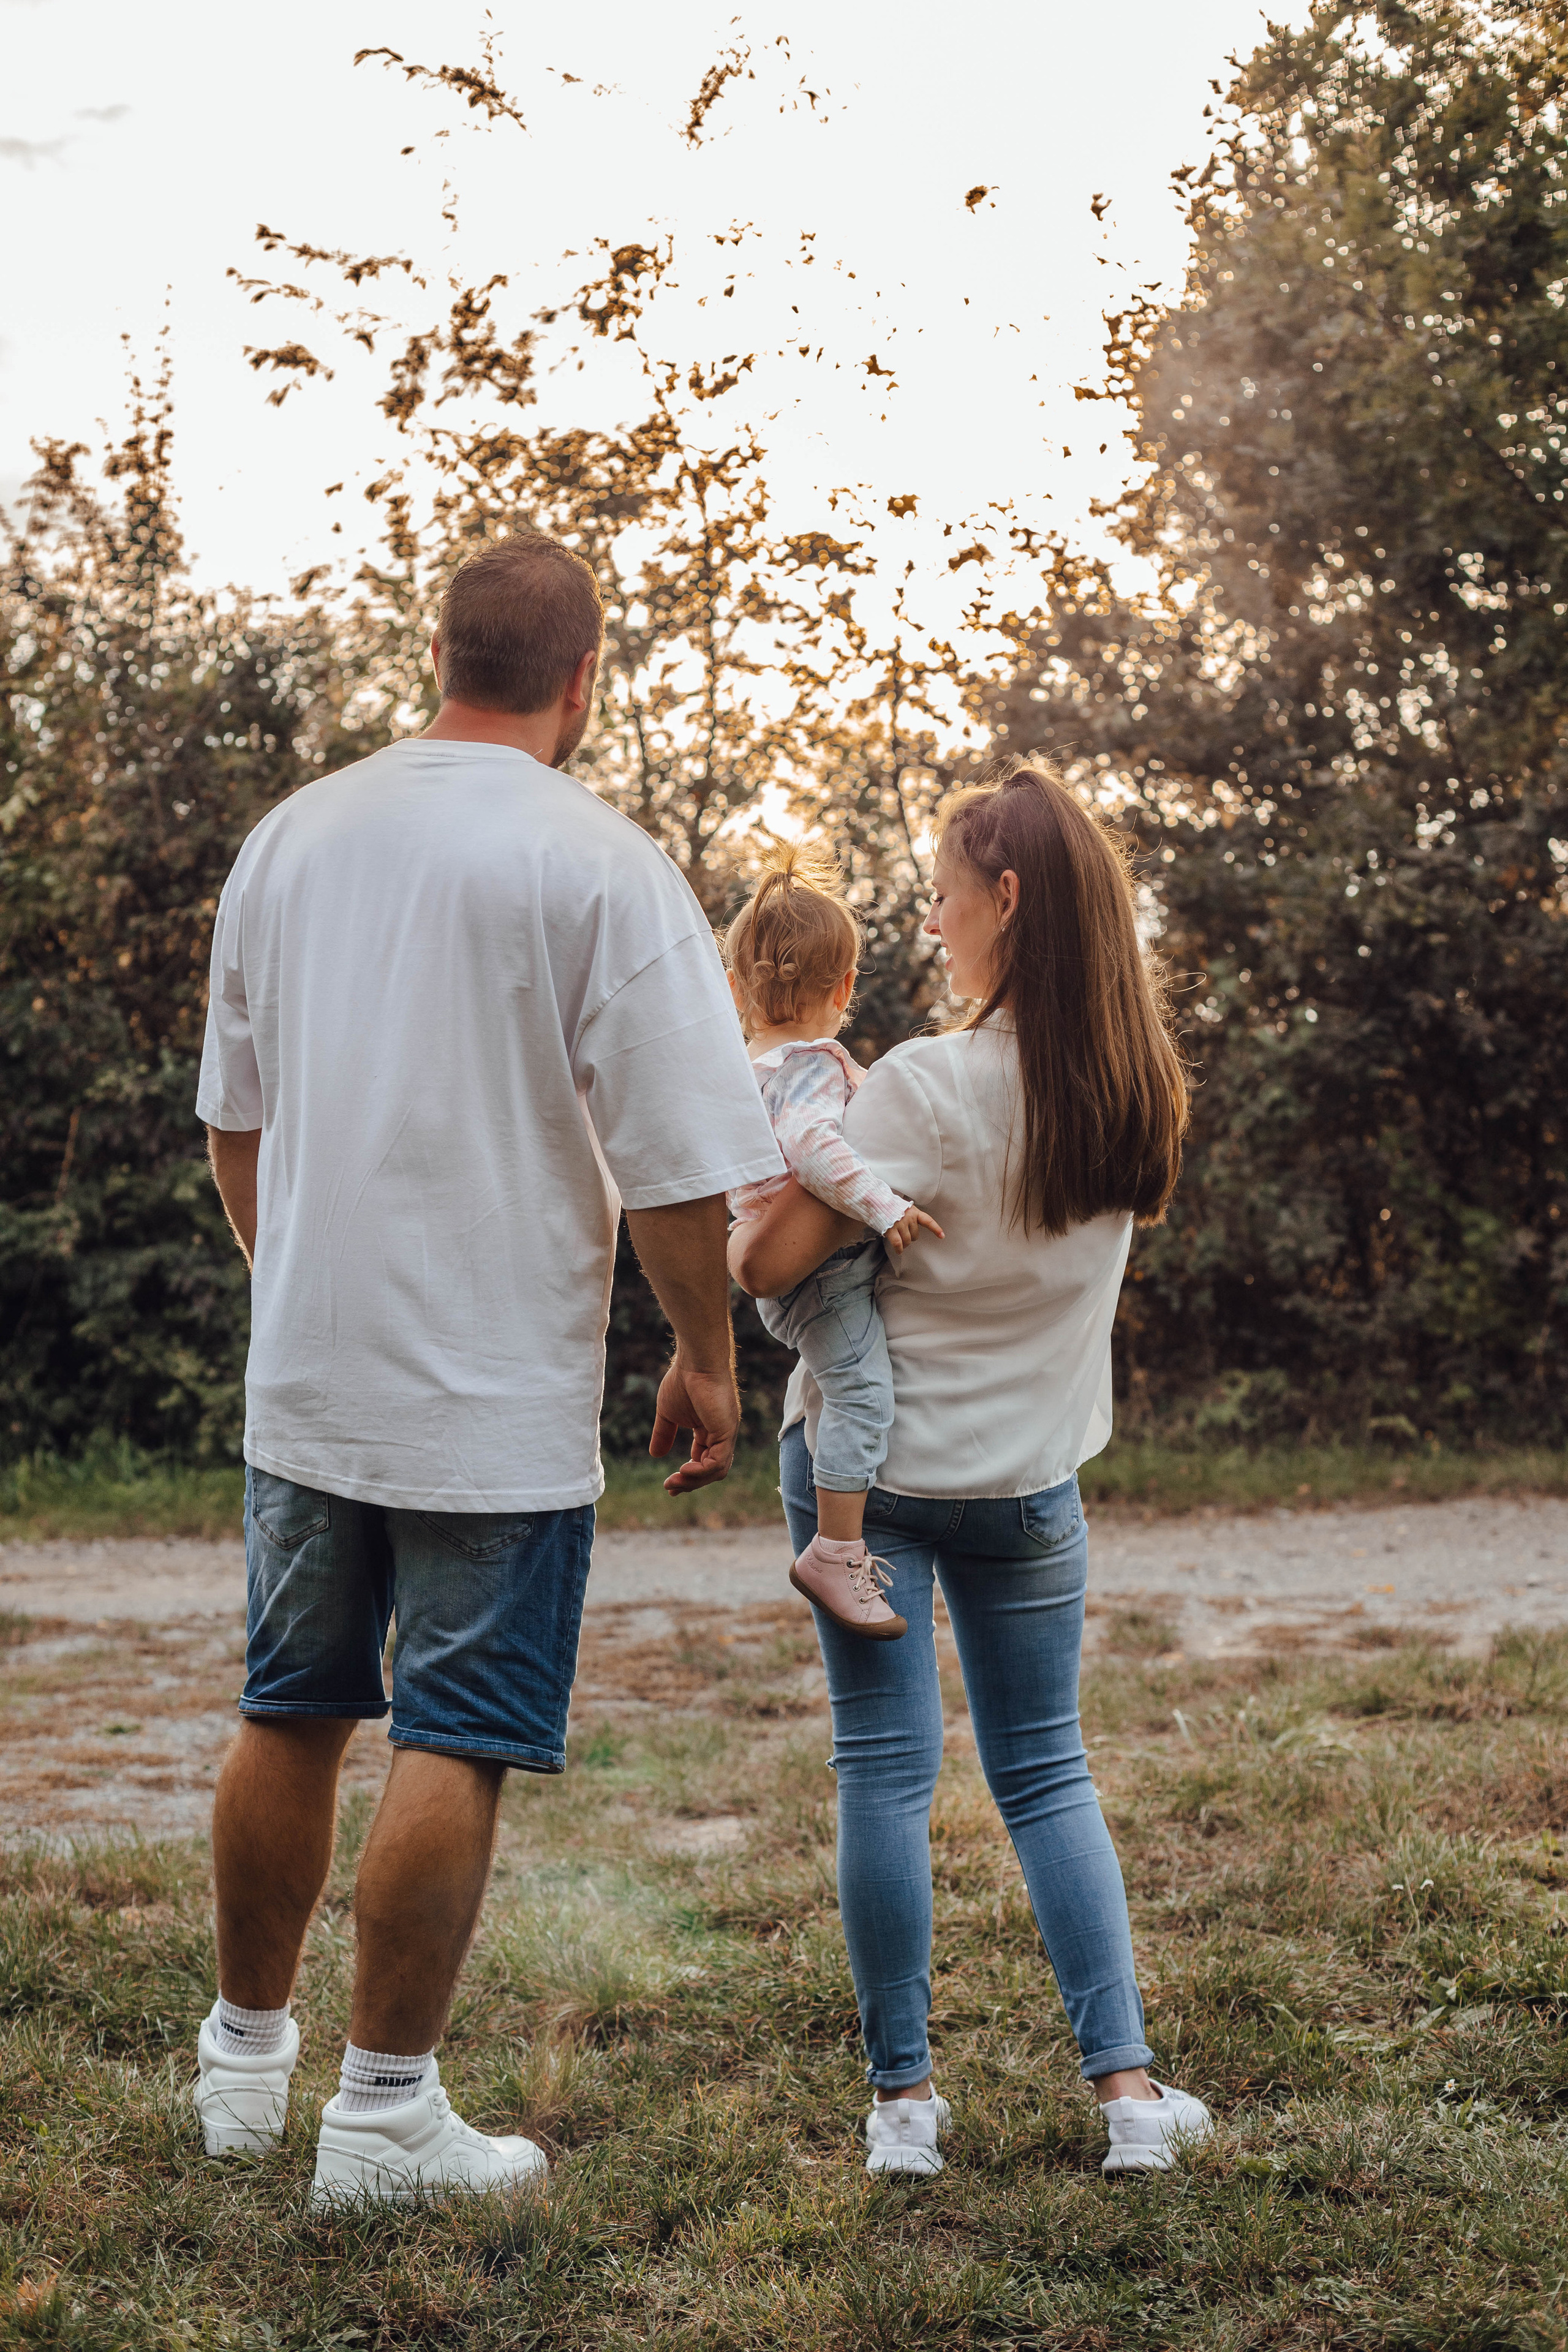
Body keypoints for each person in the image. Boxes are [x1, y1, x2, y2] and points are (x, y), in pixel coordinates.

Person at [192, 532, 782, 2207]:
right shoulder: (598, 865)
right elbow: (676, 1169)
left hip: (310, 1372)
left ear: (440, 649)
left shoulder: (291, 839)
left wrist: (298, 1283)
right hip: (490, 1397)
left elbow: (237, 1128)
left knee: (288, 1705)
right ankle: (383, 2122)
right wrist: (707, 1355)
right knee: (454, 1729)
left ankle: (242, 2069)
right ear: (584, 680)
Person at [729, 760, 1214, 2180]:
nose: (930, 926)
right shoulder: (1132, 1089)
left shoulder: (929, 1087)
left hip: (864, 1478)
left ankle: (902, 2113)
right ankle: (1127, 2103)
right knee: (1048, 1775)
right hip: (1026, 1484)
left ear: (1004, 900)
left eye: (942, 901)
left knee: (881, 1777)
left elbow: (765, 1261)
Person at [723, 846, 943, 1639]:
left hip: (791, 1275)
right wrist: (885, 1207)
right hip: (828, 1272)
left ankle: (838, 1542)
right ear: (846, 989)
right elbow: (818, 1154)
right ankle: (837, 1549)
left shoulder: (746, 1069)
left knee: (852, 1385)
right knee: (862, 1394)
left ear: (736, 989)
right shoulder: (810, 1067)